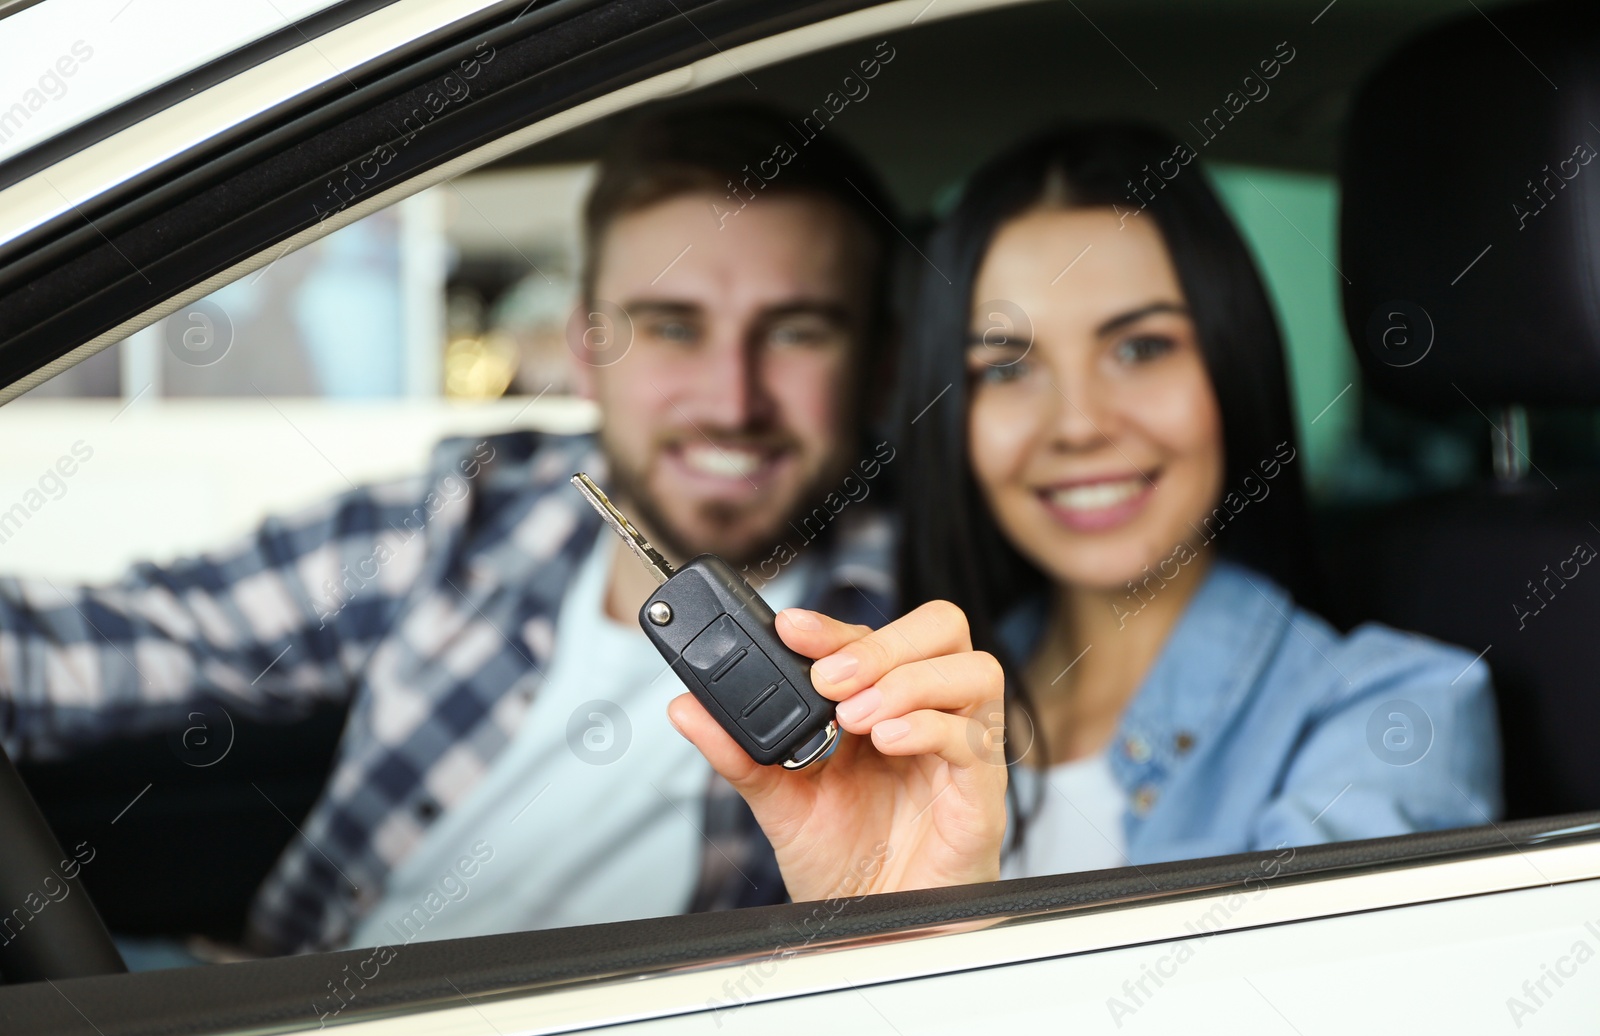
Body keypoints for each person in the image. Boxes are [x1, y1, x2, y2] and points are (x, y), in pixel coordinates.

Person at [0, 104, 1004, 964]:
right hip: (265, 1001)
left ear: (876, 362)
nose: (729, 399)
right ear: (585, 349)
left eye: (795, 330)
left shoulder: (945, 618)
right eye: (670, 326)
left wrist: (906, 928)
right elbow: (119, 641)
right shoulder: (479, 502)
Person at [894, 123, 1502, 877]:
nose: (1080, 424)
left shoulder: (1390, 717)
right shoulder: (909, 719)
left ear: (1229, 363)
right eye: (1008, 368)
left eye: (1140, 348)